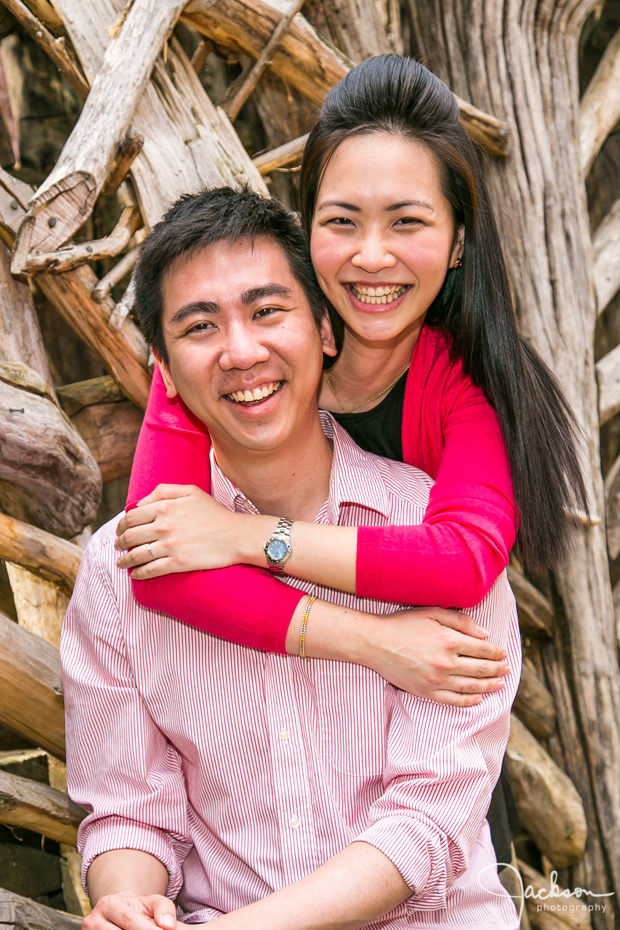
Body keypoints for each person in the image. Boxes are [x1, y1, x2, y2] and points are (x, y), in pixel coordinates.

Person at [115, 56, 586, 862]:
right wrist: (369, 640)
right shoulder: (238, 352)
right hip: (254, 781)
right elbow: (160, 571)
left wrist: (244, 536)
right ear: (307, 227)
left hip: (417, 751)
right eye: (342, 221)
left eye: (408, 222)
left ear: (460, 238)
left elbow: (465, 560)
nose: (372, 257)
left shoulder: (469, 386)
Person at [63, 186, 521, 929]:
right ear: (166, 373)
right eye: (200, 326)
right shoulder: (117, 572)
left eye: (267, 311)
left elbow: (424, 826)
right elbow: (129, 811)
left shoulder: (430, 528)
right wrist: (128, 901)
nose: (241, 352)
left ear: (326, 331)